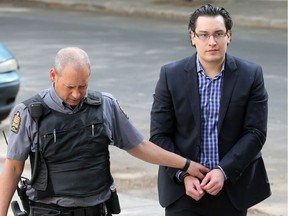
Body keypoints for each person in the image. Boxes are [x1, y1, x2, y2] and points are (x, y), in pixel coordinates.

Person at [0, 47, 210, 216]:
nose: (76, 94)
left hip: (97, 209)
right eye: (70, 86)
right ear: (53, 75)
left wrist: (185, 165)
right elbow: (13, 168)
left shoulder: (105, 106)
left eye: (83, 86)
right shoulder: (30, 113)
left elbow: (140, 146)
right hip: (50, 210)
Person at [149, 4, 271, 216]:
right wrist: (184, 173)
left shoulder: (250, 75)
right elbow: (159, 135)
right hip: (183, 190)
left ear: (229, 36)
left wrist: (223, 172)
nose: (212, 42)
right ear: (192, 37)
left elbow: (255, 133)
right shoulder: (171, 75)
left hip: (232, 187)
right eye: (204, 35)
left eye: (218, 34)